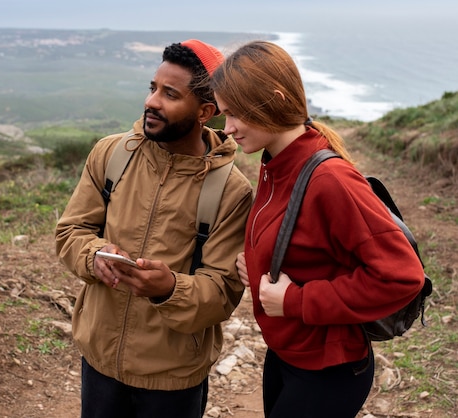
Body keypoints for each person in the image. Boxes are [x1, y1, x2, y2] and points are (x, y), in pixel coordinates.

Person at [210, 40, 426, 418]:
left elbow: (402, 277)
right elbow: (304, 246)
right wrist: (258, 266)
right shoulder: (274, 163)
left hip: (329, 369)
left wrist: (295, 301)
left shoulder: (330, 179)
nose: (226, 129)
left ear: (274, 99)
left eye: (234, 115)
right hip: (289, 354)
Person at [55, 39, 254, 418]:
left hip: (173, 376)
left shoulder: (230, 190)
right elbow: (71, 231)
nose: (152, 102)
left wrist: (169, 289)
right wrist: (93, 257)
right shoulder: (110, 154)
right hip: (99, 360)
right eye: (152, 88)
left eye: (170, 94)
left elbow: (223, 291)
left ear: (204, 111)